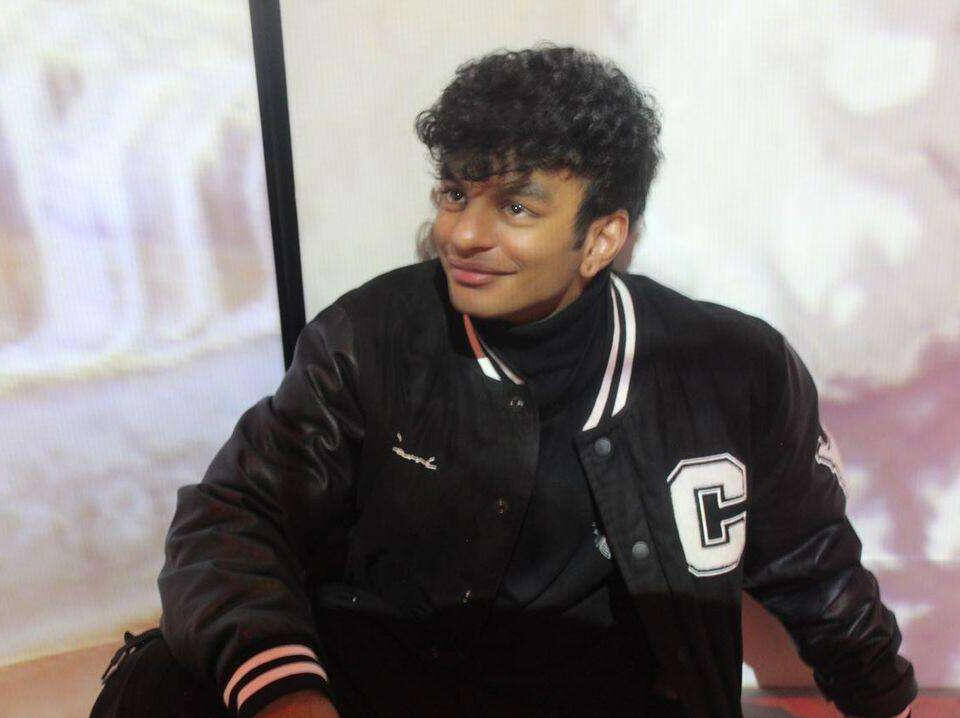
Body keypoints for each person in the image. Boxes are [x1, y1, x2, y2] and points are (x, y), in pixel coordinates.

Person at [117, 45, 917, 718]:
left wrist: (889, 705)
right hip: (401, 683)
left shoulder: (733, 367)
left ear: (601, 238)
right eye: (455, 193)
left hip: (617, 695)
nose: (462, 233)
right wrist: (288, 696)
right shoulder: (369, 337)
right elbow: (233, 519)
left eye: (516, 208)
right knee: (158, 686)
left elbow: (817, 571)